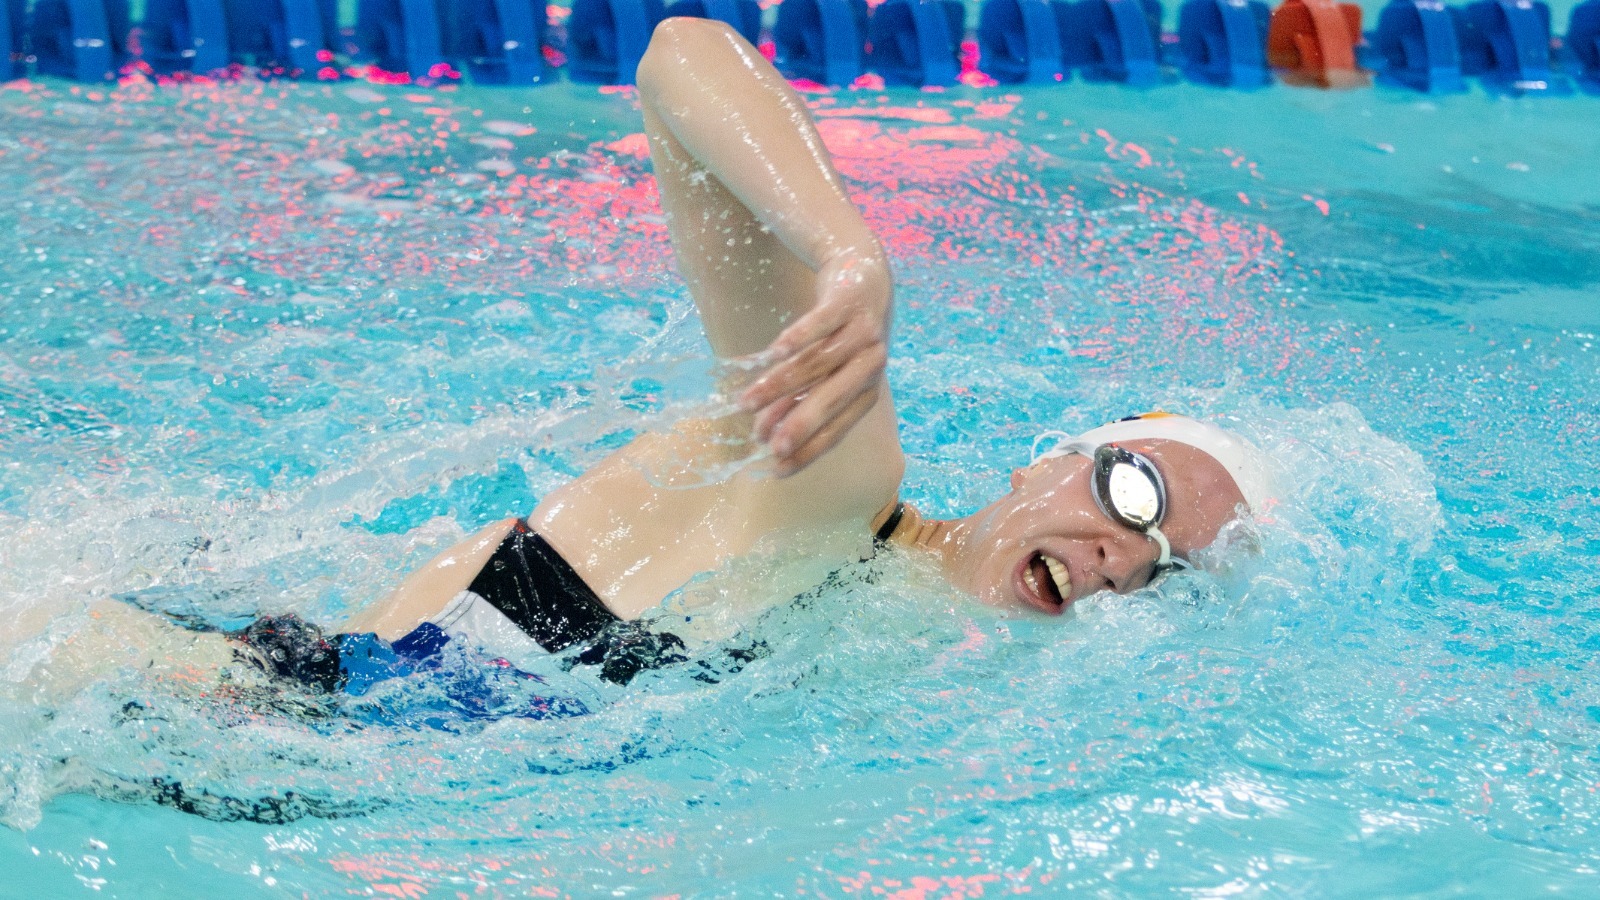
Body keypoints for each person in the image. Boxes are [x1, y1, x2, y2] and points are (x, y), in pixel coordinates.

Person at [13, 18, 1271, 706]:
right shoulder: (833, 482)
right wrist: (850, 255)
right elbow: (682, 55)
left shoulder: (880, 661)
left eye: (1167, 575)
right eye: (1137, 497)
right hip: (171, 689)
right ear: (1051, 460)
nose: (1125, 561)